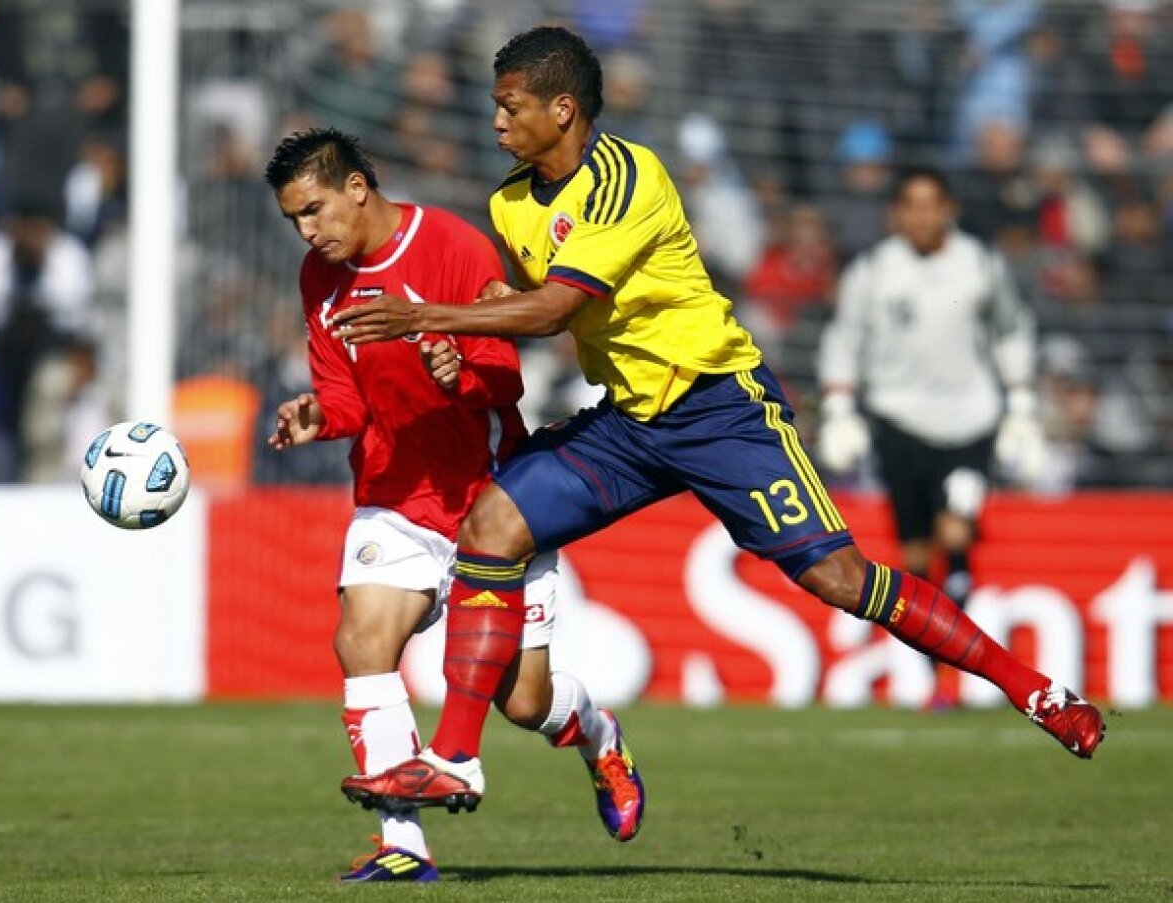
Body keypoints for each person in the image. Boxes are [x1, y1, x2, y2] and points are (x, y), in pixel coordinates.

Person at [329, 27, 1105, 814]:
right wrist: (478, 320)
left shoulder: (626, 178)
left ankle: (1035, 690)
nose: (496, 122)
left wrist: (431, 316)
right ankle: (457, 759)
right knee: (492, 524)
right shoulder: (511, 200)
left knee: (839, 578)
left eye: (510, 106)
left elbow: (561, 304)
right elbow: (534, 305)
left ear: (563, 109)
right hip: (629, 423)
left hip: (718, 407)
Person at [262, 128, 645, 882]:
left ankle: (601, 737)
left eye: (314, 211)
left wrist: (456, 375)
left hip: (494, 500)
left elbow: (506, 381)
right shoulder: (321, 277)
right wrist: (319, 418)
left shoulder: (451, 244)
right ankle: (402, 845)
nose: (308, 232)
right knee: (361, 642)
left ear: (357, 189)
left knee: (524, 700)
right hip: (394, 494)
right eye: (294, 221)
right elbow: (344, 394)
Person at [815, 166, 1046, 708]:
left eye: (931, 204)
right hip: (899, 421)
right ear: (897, 213)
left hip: (971, 419)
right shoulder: (873, 271)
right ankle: (934, 672)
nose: (921, 216)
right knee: (915, 554)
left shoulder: (979, 264)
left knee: (957, 530)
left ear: (949, 209)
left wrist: (1022, 405)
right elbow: (844, 339)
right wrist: (840, 407)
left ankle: (952, 678)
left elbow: (1012, 330)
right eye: (911, 205)